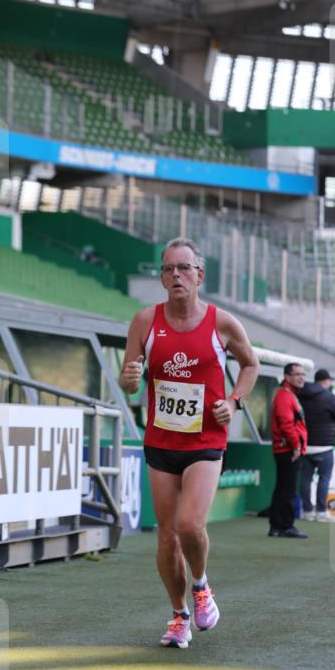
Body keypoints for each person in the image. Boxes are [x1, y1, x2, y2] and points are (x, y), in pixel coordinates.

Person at [119, 237, 259, 648]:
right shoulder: (145, 321)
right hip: (161, 439)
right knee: (166, 537)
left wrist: (233, 401)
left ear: (200, 275)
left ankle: (201, 585)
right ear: (161, 277)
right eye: (168, 269)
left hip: (205, 439)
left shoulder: (223, 323)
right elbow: (128, 379)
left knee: (189, 525)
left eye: (184, 268)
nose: (176, 275)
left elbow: (251, 365)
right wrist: (128, 380)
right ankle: (179, 615)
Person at [297, 367, 335, 521]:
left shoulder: (301, 394)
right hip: (324, 446)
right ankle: (320, 512)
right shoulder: (328, 396)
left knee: (305, 479)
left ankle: (307, 512)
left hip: (305, 444)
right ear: (326, 381)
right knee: (324, 479)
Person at [268, 362, 308, 538]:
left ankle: (276, 527)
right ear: (287, 376)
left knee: (283, 488)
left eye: (303, 374)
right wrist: (296, 446)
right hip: (288, 449)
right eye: (297, 374)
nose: (301, 377)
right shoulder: (284, 395)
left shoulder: (288, 394)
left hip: (287, 448)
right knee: (288, 490)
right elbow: (286, 424)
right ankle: (285, 526)